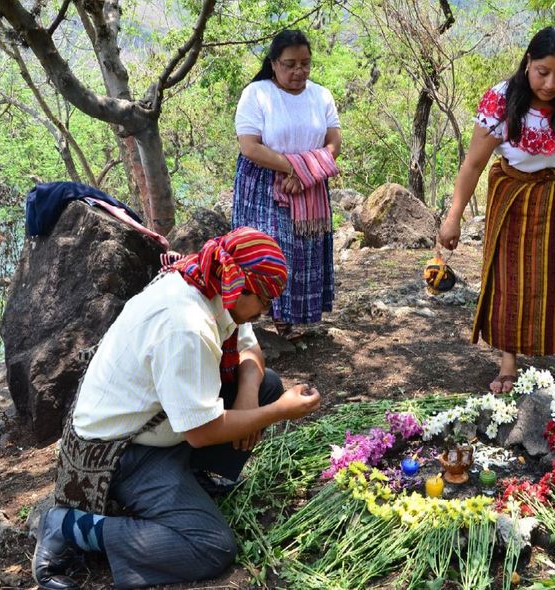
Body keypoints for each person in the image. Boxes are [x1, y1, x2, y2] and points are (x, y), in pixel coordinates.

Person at [32, 227, 322, 590]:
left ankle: (193, 482)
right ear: (239, 283)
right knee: (211, 546)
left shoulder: (207, 279)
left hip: (160, 428)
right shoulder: (187, 324)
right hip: (122, 452)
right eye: (264, 301)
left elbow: (252, 353)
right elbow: (202, 432)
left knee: (265, 385)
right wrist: (280, 411)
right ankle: (67, 527)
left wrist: (249, 394)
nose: (265, 311)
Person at [438, 26, 555, 395]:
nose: (550, 83)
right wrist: (453, 217)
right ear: (528, 61)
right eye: (542, 71)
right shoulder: (502, 100)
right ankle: (508, 361)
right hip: (515, 197)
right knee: (512, 277)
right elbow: (473, 164)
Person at [233, 29, 342, 342]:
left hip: (311, 183)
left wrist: (305, 172)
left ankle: (296, 315)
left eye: (305, 64)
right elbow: (250, 146)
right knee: (273, 249)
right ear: (274, 63)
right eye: (290, 64)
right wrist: (293, 168)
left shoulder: (320, 95)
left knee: (304, 249)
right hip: (265, 183)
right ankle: (269, 314)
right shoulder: (257, 94)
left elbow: (334, 142)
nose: (299, 72)